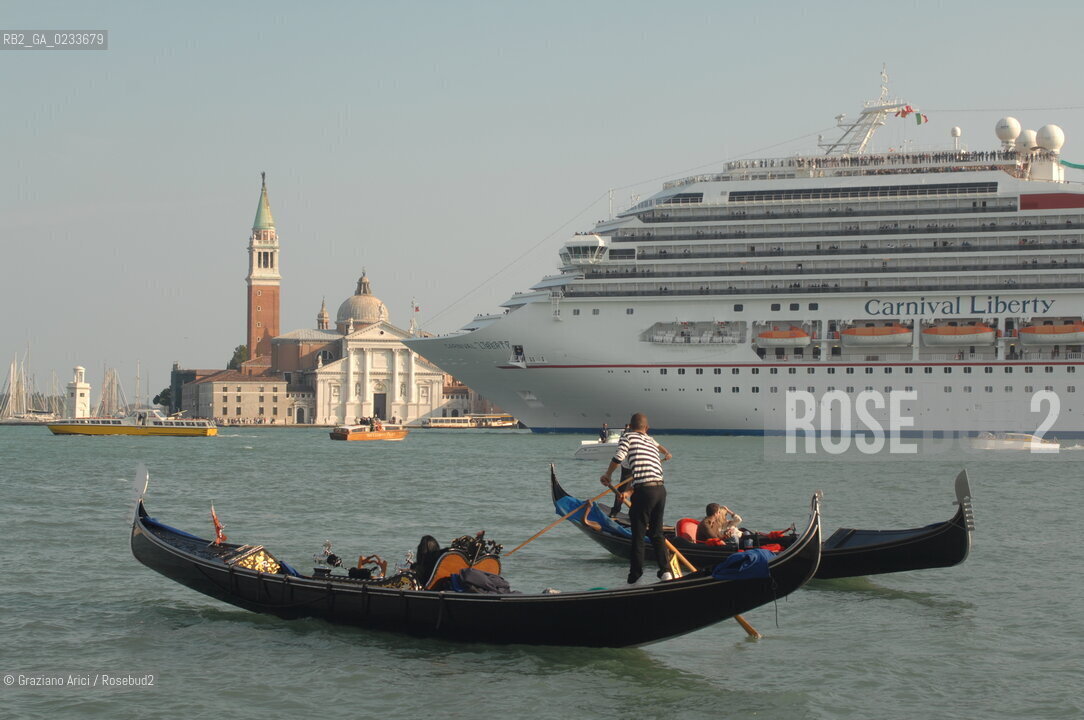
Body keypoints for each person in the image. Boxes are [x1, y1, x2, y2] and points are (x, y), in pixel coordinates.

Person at [600, 412, 673, 584]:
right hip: (660, 490)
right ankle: (666, 571)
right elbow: (646, 475)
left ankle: (635, 575)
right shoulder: (650, 440)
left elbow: (618, 457)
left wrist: (607, 475)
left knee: (638, 535)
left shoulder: (627, 437)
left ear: (630, 426)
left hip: (645, 491)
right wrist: (629, 492)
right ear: (646, 428)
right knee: (657, 533)